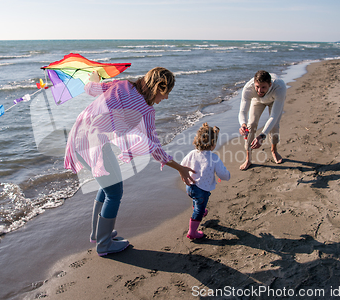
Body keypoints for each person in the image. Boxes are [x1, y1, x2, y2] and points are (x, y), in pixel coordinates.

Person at [64, 67, 196, 256]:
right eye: (167, 92)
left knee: (107, 186)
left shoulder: (122, 85)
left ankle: (98, 233)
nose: (166, 98)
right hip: (94, 146)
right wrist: (180, 168)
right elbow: (155, 149)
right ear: (159, 87)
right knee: (115, 193)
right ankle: (104, 245)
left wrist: (94, 79)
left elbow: (90, 89)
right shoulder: (147, 111)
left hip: (79, 137)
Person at [180, 123, 230, 239]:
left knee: (196, 201)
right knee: (198, 211)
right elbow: (222, 174)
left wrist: (183, 175)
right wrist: (228, 176)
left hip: (189, 187)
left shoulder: (192, 154)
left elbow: (182, 165)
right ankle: (192, 232)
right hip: (202, 190)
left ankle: (199, 208)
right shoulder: (214, 158)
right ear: (213, 144)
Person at [238, 70, 286, 170]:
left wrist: (262, 135)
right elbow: (242, 111)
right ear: (254, 84)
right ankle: (248, 159)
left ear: (270, 84)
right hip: (258, 101)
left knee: (275, 126)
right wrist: (243, 124)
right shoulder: (248, 88)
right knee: (251, 124)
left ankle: (274, 150)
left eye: (263, 87)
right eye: (257, 87)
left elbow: (273, 116)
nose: (259, 90)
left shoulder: (279, 88)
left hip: (274, 100)